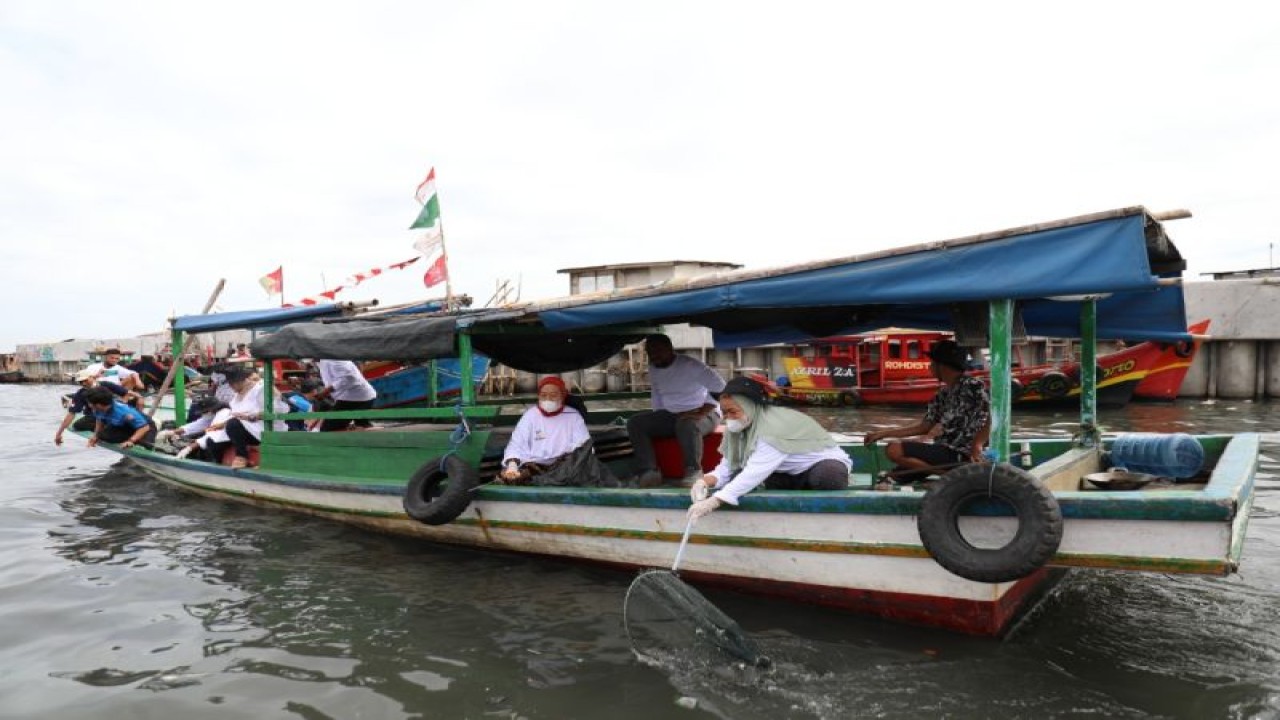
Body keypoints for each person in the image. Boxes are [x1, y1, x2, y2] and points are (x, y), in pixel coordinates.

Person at [687, 377, 851, 519]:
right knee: (737, 476)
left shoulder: (772, 428)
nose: (728, 418)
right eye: (724, 412)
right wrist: (704, 481)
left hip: (817, 467)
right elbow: (727, 468)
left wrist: (714, 501)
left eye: (733, 411)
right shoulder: (737, 429)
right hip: (783, 473)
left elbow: (755, 471)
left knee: (828, 476)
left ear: (749, 407)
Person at [861, 340, 991, 484]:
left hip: (964, 454)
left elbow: (993, 415)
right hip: (944, 451)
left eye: (932, 363)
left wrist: (978, 444)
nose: (930, 367)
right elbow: (924, 427)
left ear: (941, 365)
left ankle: (954, 475)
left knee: (894, 449)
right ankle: (948, 473)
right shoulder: (942, 394)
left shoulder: (973, 385)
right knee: (890, 478)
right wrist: (882, 434)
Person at [626, 334, 727, 488]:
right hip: (672, 414)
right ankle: (649, 472)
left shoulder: (691, 365)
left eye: (659, 350)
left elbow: (722, 389)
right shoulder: (653, 368)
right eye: (651, 352)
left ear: (670, 349)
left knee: (686, 424)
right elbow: (657, 395)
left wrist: (701, 411)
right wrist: (657, 417)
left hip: (705, 412)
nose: (655, 356)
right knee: (636, 423)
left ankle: (693, 472)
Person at [496, 376, 617, 487]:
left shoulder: (573, 416)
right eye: (543, 395)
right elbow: (516, 444)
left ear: (563, 395)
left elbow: (584, 447)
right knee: (506, 479)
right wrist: (512, 466)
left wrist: (566, 460)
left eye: (553, 395)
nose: (548, 399)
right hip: (535, 467)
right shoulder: (530, 416)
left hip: (565, 467)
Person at [201, 365, 288, 469]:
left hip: (263, 429)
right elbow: (237, 416)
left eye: (231, 384)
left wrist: (251, 417)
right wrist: (221, 425)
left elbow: (277, 410)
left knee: (233, 424)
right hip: (245, 430)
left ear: (238, 381)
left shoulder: (261, 389)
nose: (231, 387)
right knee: (212, 442)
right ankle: (221, 468)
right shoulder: (237, 396)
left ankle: (242, 456)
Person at [54, 368, 136, 445]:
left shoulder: (106, 385)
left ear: (92, 377)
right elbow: (72, 413)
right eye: (80, 382)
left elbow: (127, 393)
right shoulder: (80, 394)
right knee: (78, 425)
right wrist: (59, 433)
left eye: (85, 380)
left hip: (111, 413)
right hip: (94, 416)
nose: (83, 383)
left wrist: (126, 402)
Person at [84, 386, 157, 450]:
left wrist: (131, 440)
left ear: (99, 404)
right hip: (124, 425)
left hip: (146, 426)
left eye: (90, 402)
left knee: (146, 446)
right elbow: (99, 420)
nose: (89, 405)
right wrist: (95, 436)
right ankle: (133, 438)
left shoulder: (124, 411)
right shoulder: (96, 409)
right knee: (102, 436)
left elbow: (145, 427)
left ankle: (137, 440)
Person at [316, 359, 377, 431]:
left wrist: (325, 392)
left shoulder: (333, 360)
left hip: (355, 398)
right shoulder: (323, 360)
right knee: (361, 424)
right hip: (359, 396)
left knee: (328, 429)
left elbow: (350, 378)